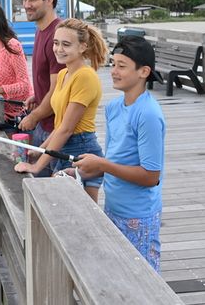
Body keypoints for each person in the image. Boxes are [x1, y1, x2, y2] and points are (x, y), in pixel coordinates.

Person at [72, 35, 166, 272]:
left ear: (144, 71)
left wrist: (102, 165)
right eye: (112, 64)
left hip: (139, 215)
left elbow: (151, 176)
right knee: (117, 274)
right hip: (113, 207)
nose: (114, 71)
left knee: (142, 281)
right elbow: (114, 158)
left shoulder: (148, 114)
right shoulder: (114, 107)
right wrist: (81, 167)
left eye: (121, 66)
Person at [14, 18, 107, 201]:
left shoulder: (85, 76)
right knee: (65, 213)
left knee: (83, 216)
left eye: (66, 44)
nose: (58, 49)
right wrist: (40, 149)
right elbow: (60, 124)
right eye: (56, 43)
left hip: (81, 151)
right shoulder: (64, 73)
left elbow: (67, 129)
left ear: (82, 47)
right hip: (62, 149)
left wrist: (36, 167)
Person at [17, 0, 64, 155]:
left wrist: (33, 117)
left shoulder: (58, 35)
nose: (26, 5)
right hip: (43, 124)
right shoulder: (40, 30)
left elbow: (58, 90)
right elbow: (48, 78)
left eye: (32, 0)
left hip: (56, 131)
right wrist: (37, 95)